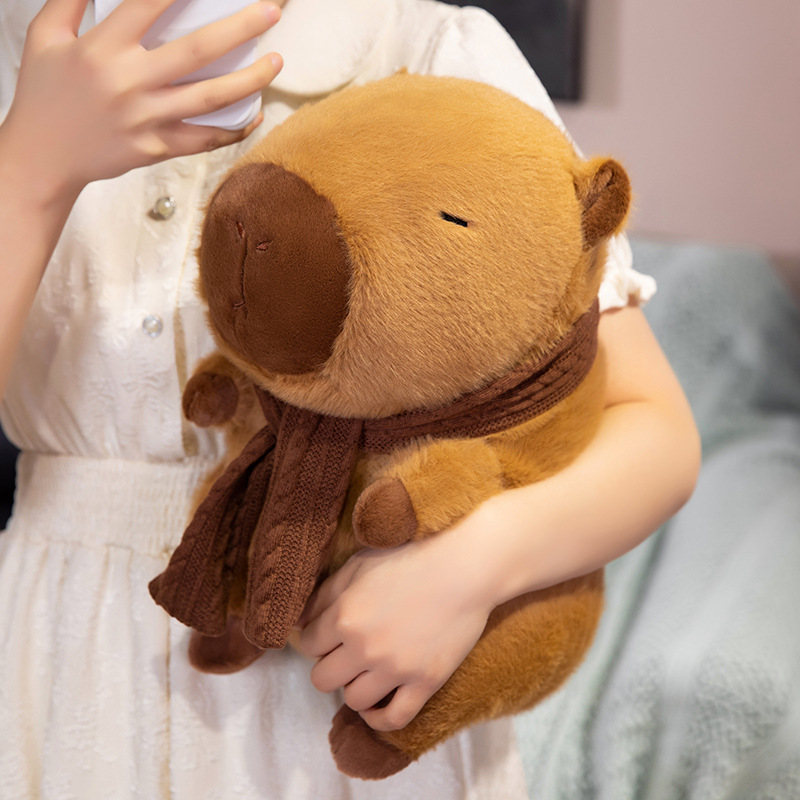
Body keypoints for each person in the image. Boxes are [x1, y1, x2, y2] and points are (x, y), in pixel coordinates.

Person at [0, 0, 701, 797]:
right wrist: (28, 170)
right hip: (58, 670)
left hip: (351, 680)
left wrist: (471, 565)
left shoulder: (423, 45)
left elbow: (657, 432)